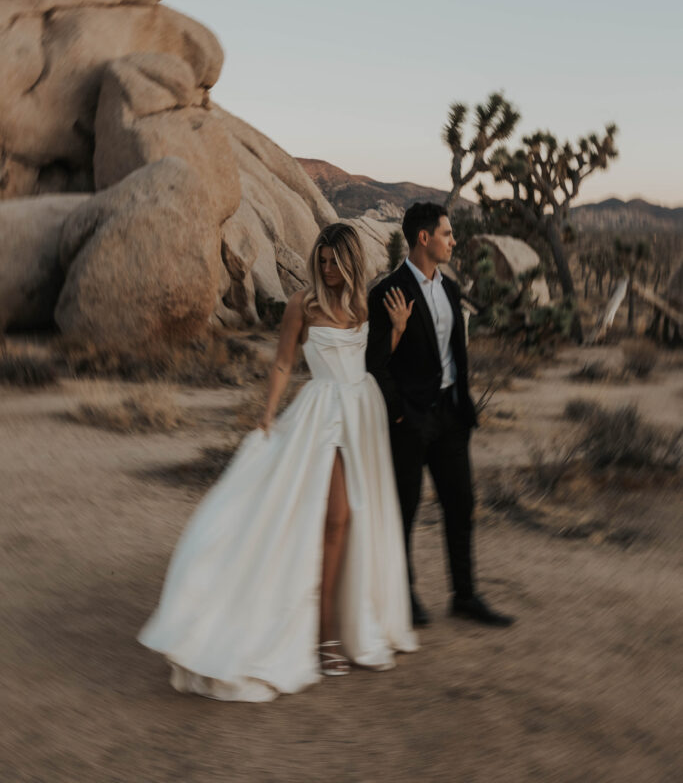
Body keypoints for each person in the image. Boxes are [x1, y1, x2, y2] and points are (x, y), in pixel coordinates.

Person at [139, 222, 417, 702]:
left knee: (358, 520)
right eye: (322, 260)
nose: (326, 269)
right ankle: (324, 633)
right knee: (336, 516)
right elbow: (285, 363)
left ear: (350, 261)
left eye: (334, 261)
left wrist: (396, 332)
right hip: (323, 413)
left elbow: (371, 362)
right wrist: (266, 416)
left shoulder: (362, 306)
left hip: (362, 413)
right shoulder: (301, 306)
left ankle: (344, 623)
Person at [367, 202, 514, 628]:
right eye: (447, 234)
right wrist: (398, 414)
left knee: (460, 504)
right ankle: (404, 594)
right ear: (424, 238)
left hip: (450, 416)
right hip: (410, 421)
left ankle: (464, 596)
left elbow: (456, 352)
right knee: (404, 511)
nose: (453, 241)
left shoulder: (450, 288)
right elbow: (375, 364)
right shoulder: (388, 292)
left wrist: (464, 405)